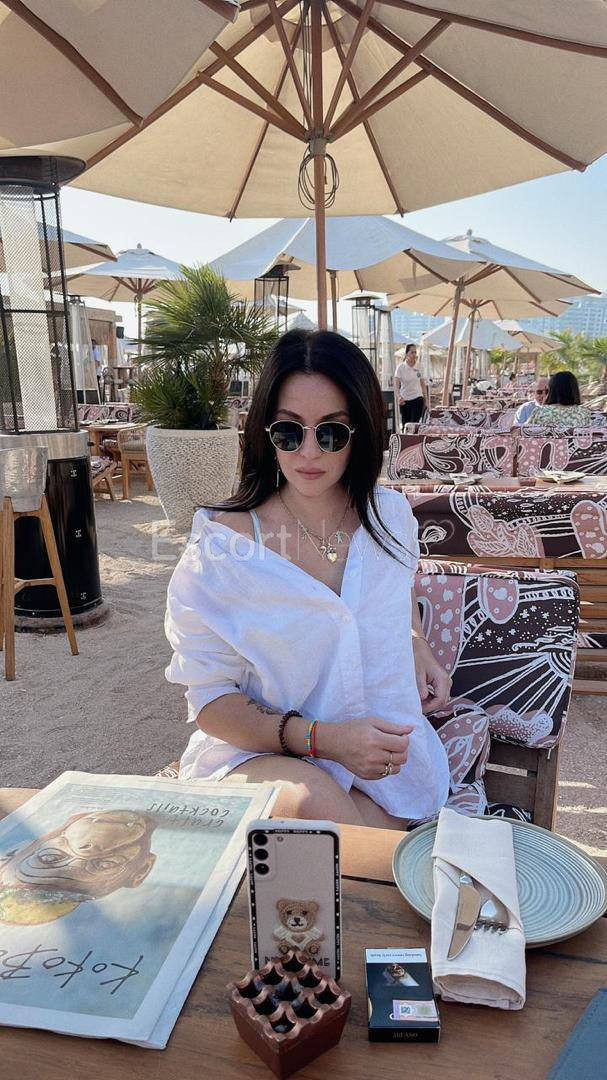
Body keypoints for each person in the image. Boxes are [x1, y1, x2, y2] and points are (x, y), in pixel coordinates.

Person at [165, 330, 451, 831]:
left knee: (344, 843)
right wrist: (326, 740)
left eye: (332, 432)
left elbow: (397, 583)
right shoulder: (225, 546)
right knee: (316, 814)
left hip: (386, 761)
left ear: (362, 430)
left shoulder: (390, 516)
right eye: (289, 432)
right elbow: (211, 702)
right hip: (266, 754)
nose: (310, 452)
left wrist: (416, 641)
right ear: (265, 433)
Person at [525, 370, 592, 428]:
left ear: (552, 390)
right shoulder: (583, 413)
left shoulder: (540, 412)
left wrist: (543, 406)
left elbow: (524, 431)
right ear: (574, 390)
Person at [394, 343, 427, 431]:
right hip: (404, 400)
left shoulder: (419, 366)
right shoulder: (400, 367)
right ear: (407, 353)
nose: (414, 355)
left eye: (415, 352)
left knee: (414, 424)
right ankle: (405, 439)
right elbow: (396, 385)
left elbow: (423, 383)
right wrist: (399, 397)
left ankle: (414, 439)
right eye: (412, 352)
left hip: (417, 398)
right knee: (405, 424)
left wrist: (426, 399)